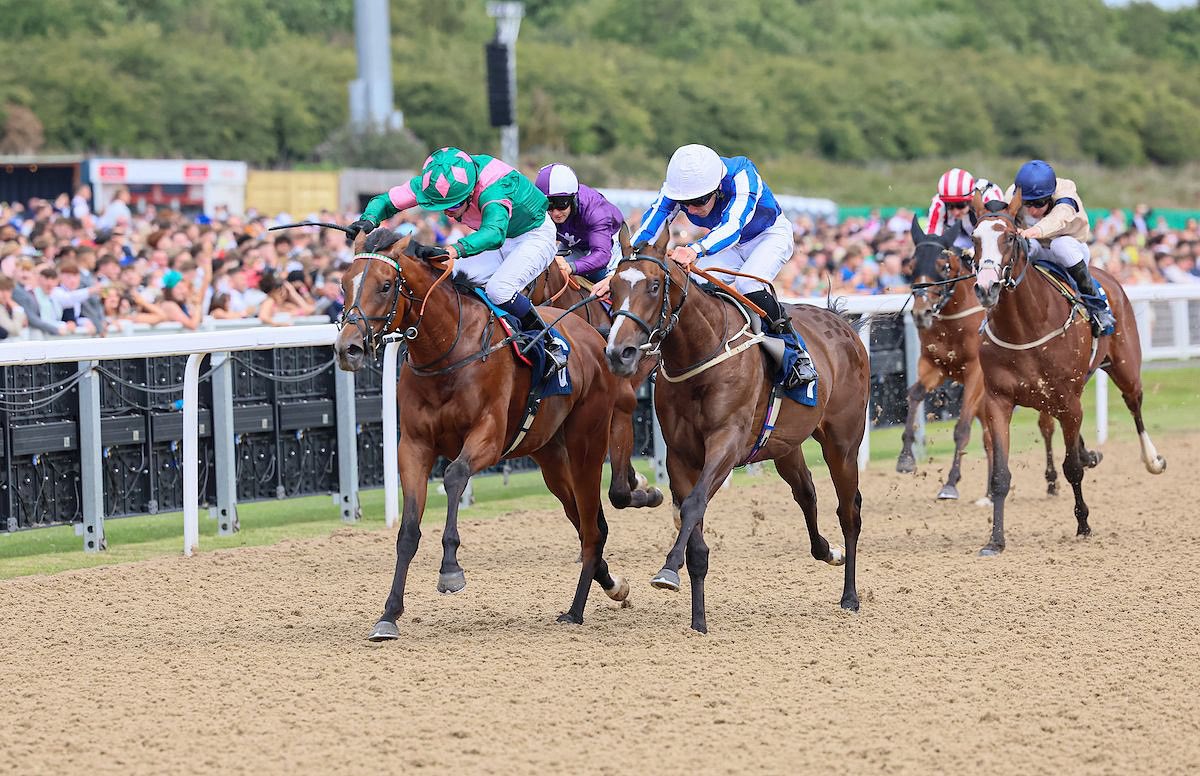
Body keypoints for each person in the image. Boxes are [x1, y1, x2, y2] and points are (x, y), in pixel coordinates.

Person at [346, 147, 566, 372]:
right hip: (500, 236)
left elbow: (494, 233)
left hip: (533, 235)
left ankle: (550, 341)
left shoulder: (494, 188)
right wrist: (368, 220)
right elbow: (387, 201)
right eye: (442, 208)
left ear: (471, 192)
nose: (448, 214)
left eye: (452, 206)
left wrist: (452, 250)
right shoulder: (436, 180)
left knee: (499, 289)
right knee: (446, 278)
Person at [629, 143, 816, 387]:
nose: (692, 209)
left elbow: (733, 227)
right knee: (692, 283)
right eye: (685, 203)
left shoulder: (742, 175)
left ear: (717, 187)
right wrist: (626, 262)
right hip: (727, 245)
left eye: (699, 201)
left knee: (748, 283)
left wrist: (694, 250)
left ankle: (796, 355)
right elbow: (650, 226)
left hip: (768, 236)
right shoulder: (678, 187)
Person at [1006, 159, 1116, 337]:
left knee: (1060, 245)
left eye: (1039, 203)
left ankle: (1097, 307)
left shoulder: (1066, 193)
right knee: (1025, 245)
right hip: (1038, 249)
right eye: (1027, 204)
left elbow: (1059, 217)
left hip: (1072, 248)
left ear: (1050, 196)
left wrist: (1035, 230)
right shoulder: (1013, 192)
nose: (1033, 210)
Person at [534, 163, 626, 286]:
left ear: (573, 198)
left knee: (612, 286)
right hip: (574, 245)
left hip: (608, 247)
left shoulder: (596, 211)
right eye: (549, 205)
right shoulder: (540, 210)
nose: (555, 213)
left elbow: (602, 254)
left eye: (561, 204)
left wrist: (571, 267)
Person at [925, 167, 1004, 251]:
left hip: (989, 236)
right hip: (961, 236)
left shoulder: (989, 199)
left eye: (960, 205)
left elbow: (994, 237)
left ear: (972, 199)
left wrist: (970, 253)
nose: (955, 212)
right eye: (949, 205)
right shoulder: (939, 203)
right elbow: (931, 238)